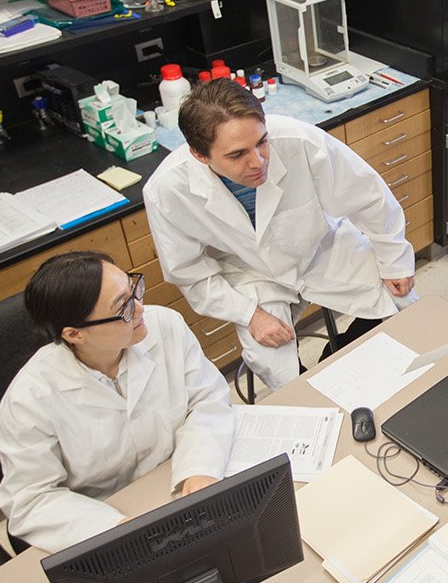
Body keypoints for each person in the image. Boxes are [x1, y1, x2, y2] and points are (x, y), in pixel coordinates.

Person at [144, 79, 416, 388]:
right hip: (249, 274)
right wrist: (249, 315)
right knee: (275, 365)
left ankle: (337, 355)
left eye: (262, 142)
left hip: (319, 247)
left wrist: (394, 259)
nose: (258, 162)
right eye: (237, 155)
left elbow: (369, 196)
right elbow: (189, 273)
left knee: (403, 303)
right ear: (200, 155)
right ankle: (313, 396)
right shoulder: (166, 191)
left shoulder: (298, 140)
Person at [0, 251, 235, 553]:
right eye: (123, 307)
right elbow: (31, 499)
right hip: (105, 519)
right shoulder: (29, 401)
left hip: (179, 481)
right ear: (75, 334)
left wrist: (200, 467)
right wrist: (115, 529)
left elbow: (207, 399)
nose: (140, 308)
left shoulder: (166, 327)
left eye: (133, 291)